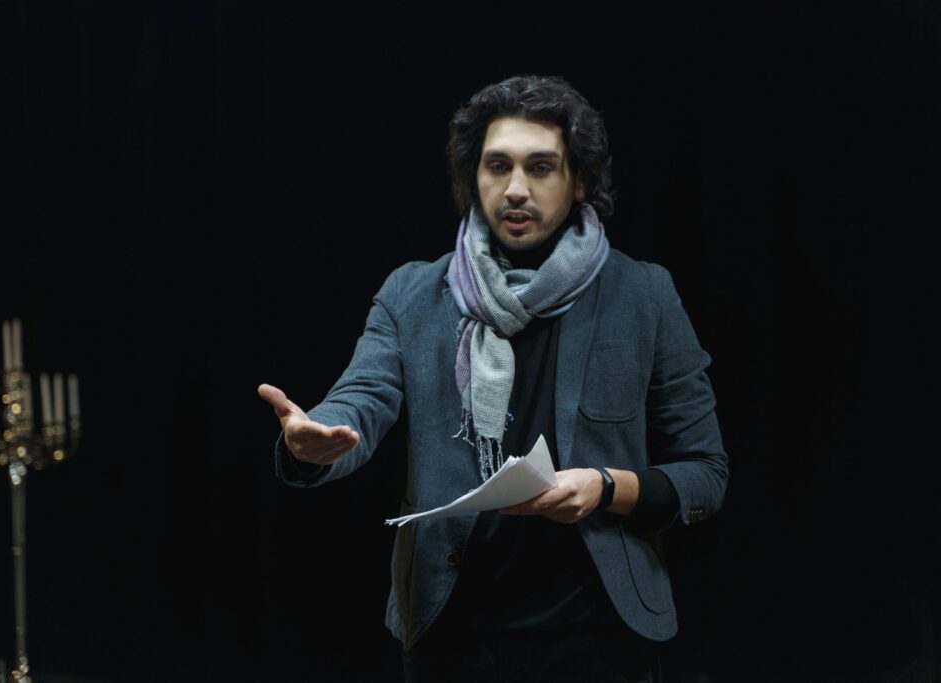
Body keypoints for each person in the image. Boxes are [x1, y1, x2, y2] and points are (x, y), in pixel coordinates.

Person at [259, 75, 728, 682]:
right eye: (497, 166)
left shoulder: (642, 295)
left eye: (541, 168)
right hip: (451, 635)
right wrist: (315, 439)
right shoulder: (413, 293)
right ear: (472, 178)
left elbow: (705, 473)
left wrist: (606, 486)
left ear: (579, 181)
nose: (515, 189)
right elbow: (361, 398)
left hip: (599, 641)